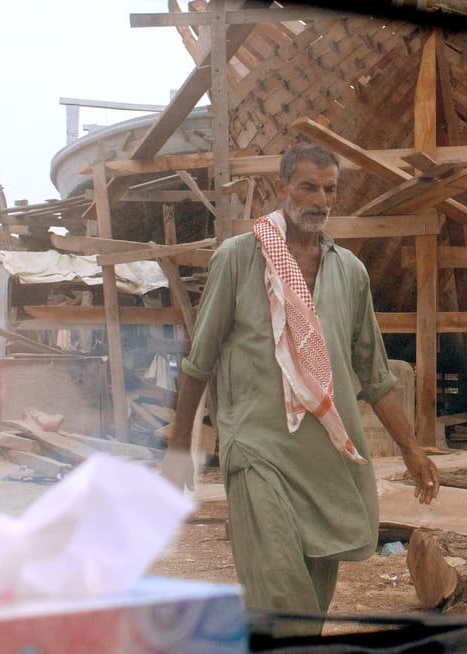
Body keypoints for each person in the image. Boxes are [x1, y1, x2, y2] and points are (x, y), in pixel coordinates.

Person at [162, 143, 440, 628]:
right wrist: (179, 446)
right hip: (257, 446)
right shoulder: (238, 259)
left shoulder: (349, 271)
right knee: (277, 584)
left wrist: (412, 450)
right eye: (308, 187)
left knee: (313, 590)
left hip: (325, 455)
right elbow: (199, 361)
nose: (320, 200)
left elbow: (374, 374)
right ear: (281, 187)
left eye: (329, 189)